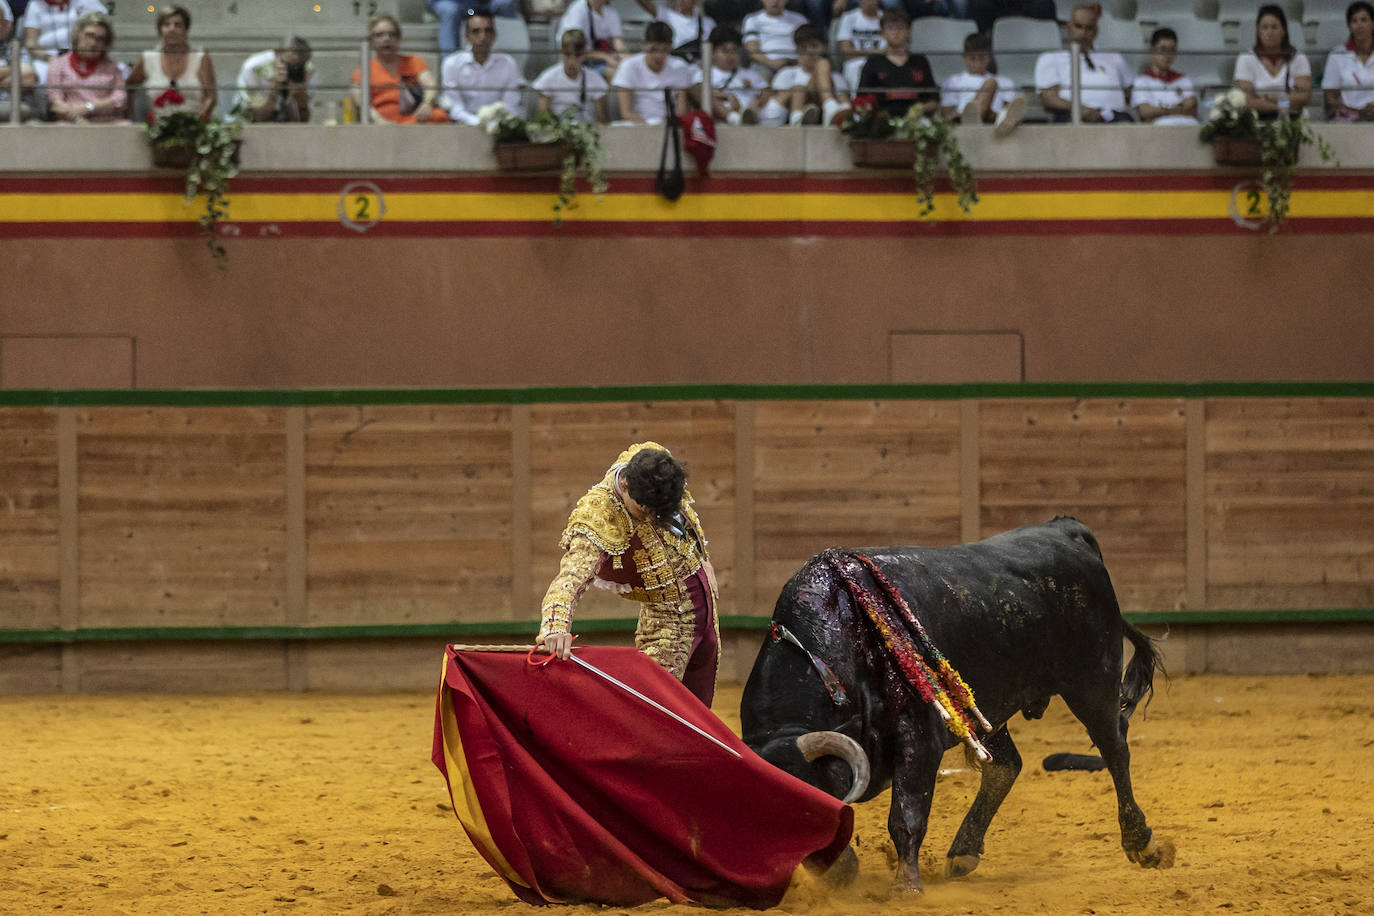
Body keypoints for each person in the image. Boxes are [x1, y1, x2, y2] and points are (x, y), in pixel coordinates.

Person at [537, 442, 720, 708]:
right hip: (668, 622)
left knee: (700, 712)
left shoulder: (655, 461)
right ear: (624, 486)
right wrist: (554, 627)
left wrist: (704, 559)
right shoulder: (597, 515)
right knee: (654, 711)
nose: (652, 519)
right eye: (645, 511)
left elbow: (686, 519)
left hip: (708, 611)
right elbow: (569, 579)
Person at [1035, 3, 1134, 123]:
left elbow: (1132, 93)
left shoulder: (1114, 57)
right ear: (1068, 27)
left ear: (1096, 31)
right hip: (1072, 115)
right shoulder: (1051, 58)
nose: (1083, 33)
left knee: (1128, 125)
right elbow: (1049, 100)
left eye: (1089, 28)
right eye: (1078, 26)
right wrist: (1082, 110)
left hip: (1114, 117)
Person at [350, 14, 449, 124]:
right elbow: (362, 103)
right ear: (371, 40)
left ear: (399, 38)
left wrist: (427, 104)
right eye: (380, 35)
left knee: (439, 116)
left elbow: (431, 85)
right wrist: (379, 121)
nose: (387, 39)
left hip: (413, 119)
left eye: (392, 34)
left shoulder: (414, 62)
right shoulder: (363, 71)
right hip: (382, 123)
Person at [125, 5, 216, 121]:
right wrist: (130, 118)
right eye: (166, 24)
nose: (172, 29)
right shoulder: (149, 58)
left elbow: (211, 97)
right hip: (158, 130)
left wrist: (196, 125)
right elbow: (128, 87)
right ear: (160, 30)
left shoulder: (200, 58)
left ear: (186, 30)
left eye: (177, 25)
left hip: (194, 130)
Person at [440, 10, 521, 125]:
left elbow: (511, 105)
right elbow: (454, 107)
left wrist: (495, 125)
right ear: (467, 36)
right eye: (476, 31)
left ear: (494, 34)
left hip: (499, 128)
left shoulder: (508, 63)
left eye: (487, 31)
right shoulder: (452, 64)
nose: (482, 37)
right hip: (463, 127)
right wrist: (478, 123)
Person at [760, 23, 850, 125]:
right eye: (803, 47)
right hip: (785, 119)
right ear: (797, 50)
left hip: (822, 119)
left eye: (814, 46)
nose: (809, 51)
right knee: (799, 88)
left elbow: (845, 103)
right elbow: (775, 105)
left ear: (823, 48)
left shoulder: (835, 77)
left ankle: (829, 108)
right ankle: (798, 118)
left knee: (823, 64)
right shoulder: (786, 73)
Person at [45, 11, 126, 123]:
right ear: (77, 36)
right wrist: (78, 119)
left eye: (100, 39)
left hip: (106, 122)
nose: (93, 43)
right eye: (89, 36)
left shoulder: (112, 68)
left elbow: (119, 99)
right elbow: (56, 103)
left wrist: (88, 108)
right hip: (71, 121)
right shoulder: (58, 64)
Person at [1233, 4, 1311, 119]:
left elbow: (1303, 97)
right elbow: (1247, 101)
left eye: (1274, 27)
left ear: (1283, 31)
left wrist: (1265, 99)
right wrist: (1280, 107)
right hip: (1258, 118)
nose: (1269, 32)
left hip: (1293, 119)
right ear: (1258, 31)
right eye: (1264, 27)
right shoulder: (1245, 58)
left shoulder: (1299, 58)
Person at [940, 31, 1025, 133]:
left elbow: (1011, 109)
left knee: (992, 84)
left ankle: (980, 118)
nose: (977, 63)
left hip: (990, 126)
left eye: (982, 58)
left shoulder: (1005, 82)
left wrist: (990, 113)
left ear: (989, 56)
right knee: (991, 84)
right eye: (972, 58)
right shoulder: (953, 81)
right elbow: (946, 116)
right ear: (964, 56)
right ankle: (974, 118)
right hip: (962, 124)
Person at [857, 9, 936, 118]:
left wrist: (920, 110)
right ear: (882, 33)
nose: (896, 32)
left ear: (909, 31)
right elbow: (861, 100)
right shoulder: (873, 62)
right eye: (890, 28)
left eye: (901, 27)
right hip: (881, 122)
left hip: (917, 121)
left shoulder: (920, 61)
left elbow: (933, 100)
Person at [612, 20, 693, 123]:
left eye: (664, 50)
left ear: (671, 47)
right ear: (644, 45)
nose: (658, 56)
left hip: (668, 124)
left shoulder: (680, 66)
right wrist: (650, 127)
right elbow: (626, 113)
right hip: (638, 124)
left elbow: (681, 111)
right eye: (653, 49)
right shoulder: (629, 66)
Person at [689, 24, 771, 124]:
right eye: (724, 50)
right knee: (698, 89)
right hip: (720, 119)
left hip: (749, 115)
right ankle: (733, 118)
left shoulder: (750, 74)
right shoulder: (702, 74)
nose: (730, 56)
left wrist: (757, 101)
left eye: (734, 50)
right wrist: (727, 96)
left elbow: (767, 91)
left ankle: (741, 118)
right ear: (712, 53)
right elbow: (695, 92)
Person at [534, 27, 611, 122]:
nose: (572, 61)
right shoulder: (548, 78)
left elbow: (602, 120)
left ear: (584, 55)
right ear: (560, 53)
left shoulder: (595, 79)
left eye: (577, 55)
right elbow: (542, 118)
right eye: (567, 55)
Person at [235, 36, 315, 123]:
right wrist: (274, 89)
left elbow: (304, 121)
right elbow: (254, 118)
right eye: (288, 65)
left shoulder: (309, 72)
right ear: (276, 54)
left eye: (298, 67)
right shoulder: (254, 69)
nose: (292, 70)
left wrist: (300, 98)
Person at [1132, 27, 1198, 125]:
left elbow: (1192, 109)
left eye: (1172, 50)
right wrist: (1179, 108)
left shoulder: (1183, 79)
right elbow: (1145, 112)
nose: (1167, 55)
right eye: (1162, 49)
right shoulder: (1141, 81)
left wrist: (1161, 110)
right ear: (1152, 50)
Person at [1321, 1, 1374, 121]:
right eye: (1354, 21)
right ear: (1349, 26)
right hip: (1348, 119)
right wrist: (1352, 113)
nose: (1359, 25)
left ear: (1372, 23)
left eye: (1364, 20)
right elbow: (1329, 96)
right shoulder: (1337, 54)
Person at [21, 0, 104, 73]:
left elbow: (102, 28)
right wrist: (52, 60)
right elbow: (31, 44)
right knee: (27, 77)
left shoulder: (87, 2)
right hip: (46, 59)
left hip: (81, 57)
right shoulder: (35, 4)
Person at [557, 0, 626, 79]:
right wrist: (606, 58)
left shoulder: (611, 12)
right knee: (615, 75)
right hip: (579, 61)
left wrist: (628, 61)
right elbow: (575, 47)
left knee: (625, 72)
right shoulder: (578, 10)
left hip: (600, 60)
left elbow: (619, 43)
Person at [742, 0, 808, 80]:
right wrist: (772, 63)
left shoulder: (800, 20)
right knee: (761, 83)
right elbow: (752, 50)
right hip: (764, 64)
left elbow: (807, 47)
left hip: (795, 63)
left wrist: (796, 63)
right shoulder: (752, 20)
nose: (775, 2)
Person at [427, 0, 518, 57]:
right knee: (451, 11)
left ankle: (512, 60)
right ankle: (449, 61)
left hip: (481, 3)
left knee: (505, 4)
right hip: (451, 3)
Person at [633, 0, 715, 60]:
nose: (681, 1)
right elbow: (644, 3)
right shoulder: (666, 15)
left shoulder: (707, 23)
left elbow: (712, 51)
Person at [964, 0, 1055, 37]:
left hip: (1025, 3)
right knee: (978, 5)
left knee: (1044, 5)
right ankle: (980, 49)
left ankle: (1046, 50)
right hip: (995, 4)